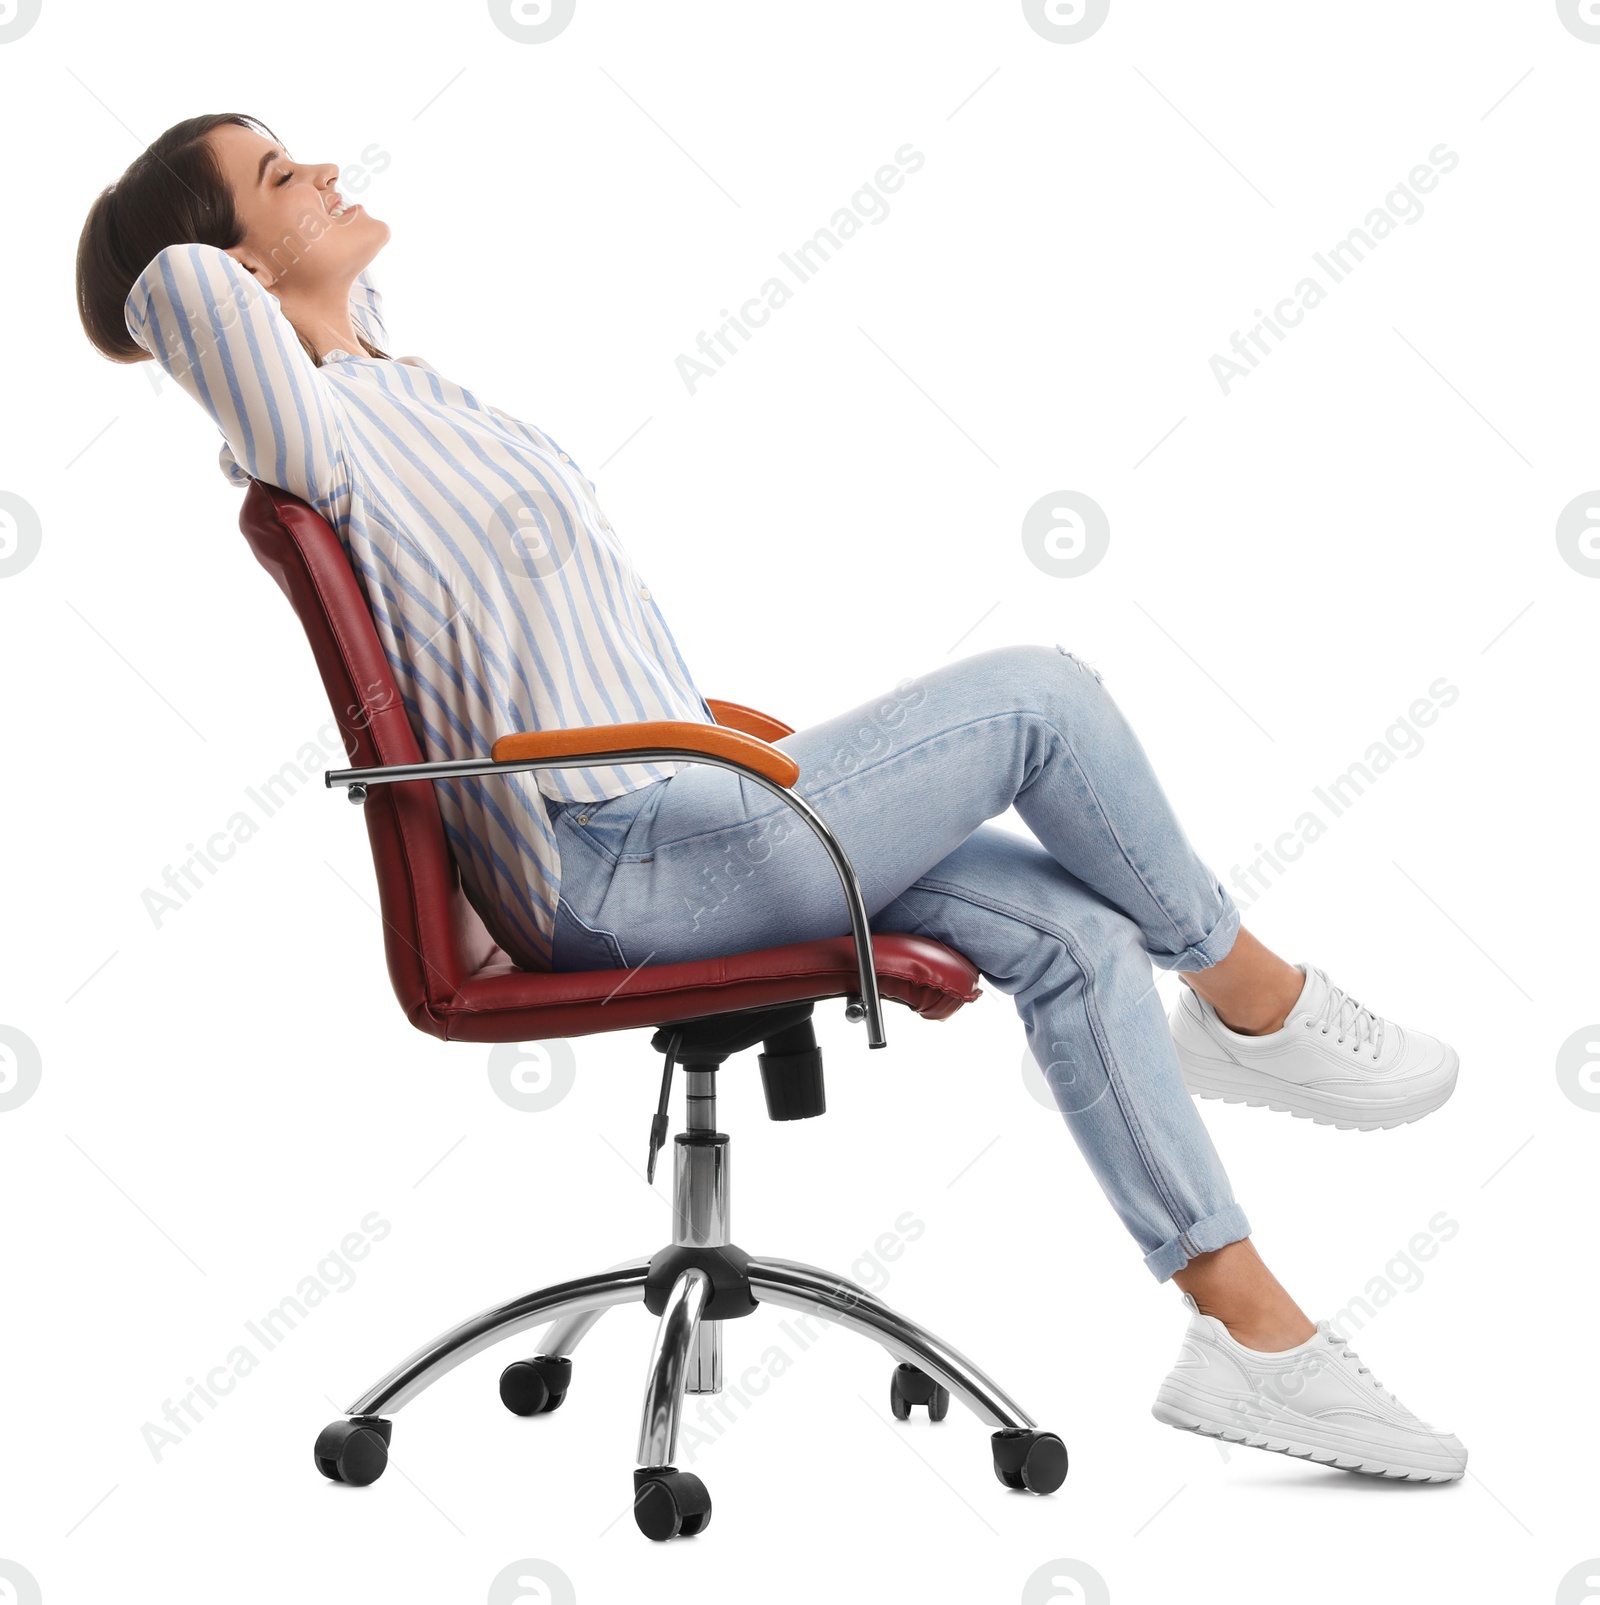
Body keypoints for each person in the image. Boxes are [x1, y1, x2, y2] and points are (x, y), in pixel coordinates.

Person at [76, 112, 1467, 1483]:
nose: (326, 167)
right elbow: (172, 290)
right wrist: (187, 229)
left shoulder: (410, 393)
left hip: (697, 816)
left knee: (1075, 930)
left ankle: (1252, 1338)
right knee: (1042, 696)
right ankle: (1252, 999)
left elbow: (321, 298)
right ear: (242, 276)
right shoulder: (308, 434)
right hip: (617, 867)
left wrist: (293, 238)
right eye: (280, 175)